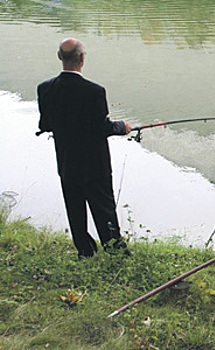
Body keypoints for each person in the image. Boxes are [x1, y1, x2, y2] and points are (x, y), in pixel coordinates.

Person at [37, 38, 132, 258]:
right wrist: (123, 127)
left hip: (67, 161)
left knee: (75, 208)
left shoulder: (45, 88)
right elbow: (102, 128)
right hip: (94, 164)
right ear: (82, 58)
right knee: (104, 208)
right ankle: (115, 251)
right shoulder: (94, 91)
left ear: (60, 57)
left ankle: (85, 250)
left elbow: (45, 125)